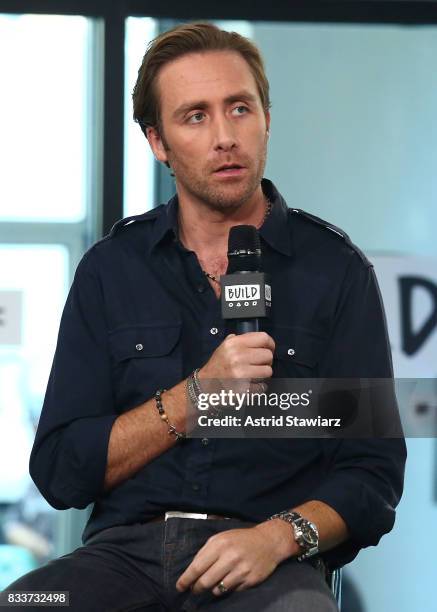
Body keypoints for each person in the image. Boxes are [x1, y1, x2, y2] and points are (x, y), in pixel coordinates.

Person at [4, 22, 406, 611]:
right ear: (157, 141)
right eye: (195, 116)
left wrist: (275, 538)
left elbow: (372, 477)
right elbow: (64, 470)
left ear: (266, 117)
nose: (225, 137)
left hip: (268, 557)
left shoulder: (336, 271)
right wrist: (198, 396)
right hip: (123, 559)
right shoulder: (111, 270)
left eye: (239, 108)